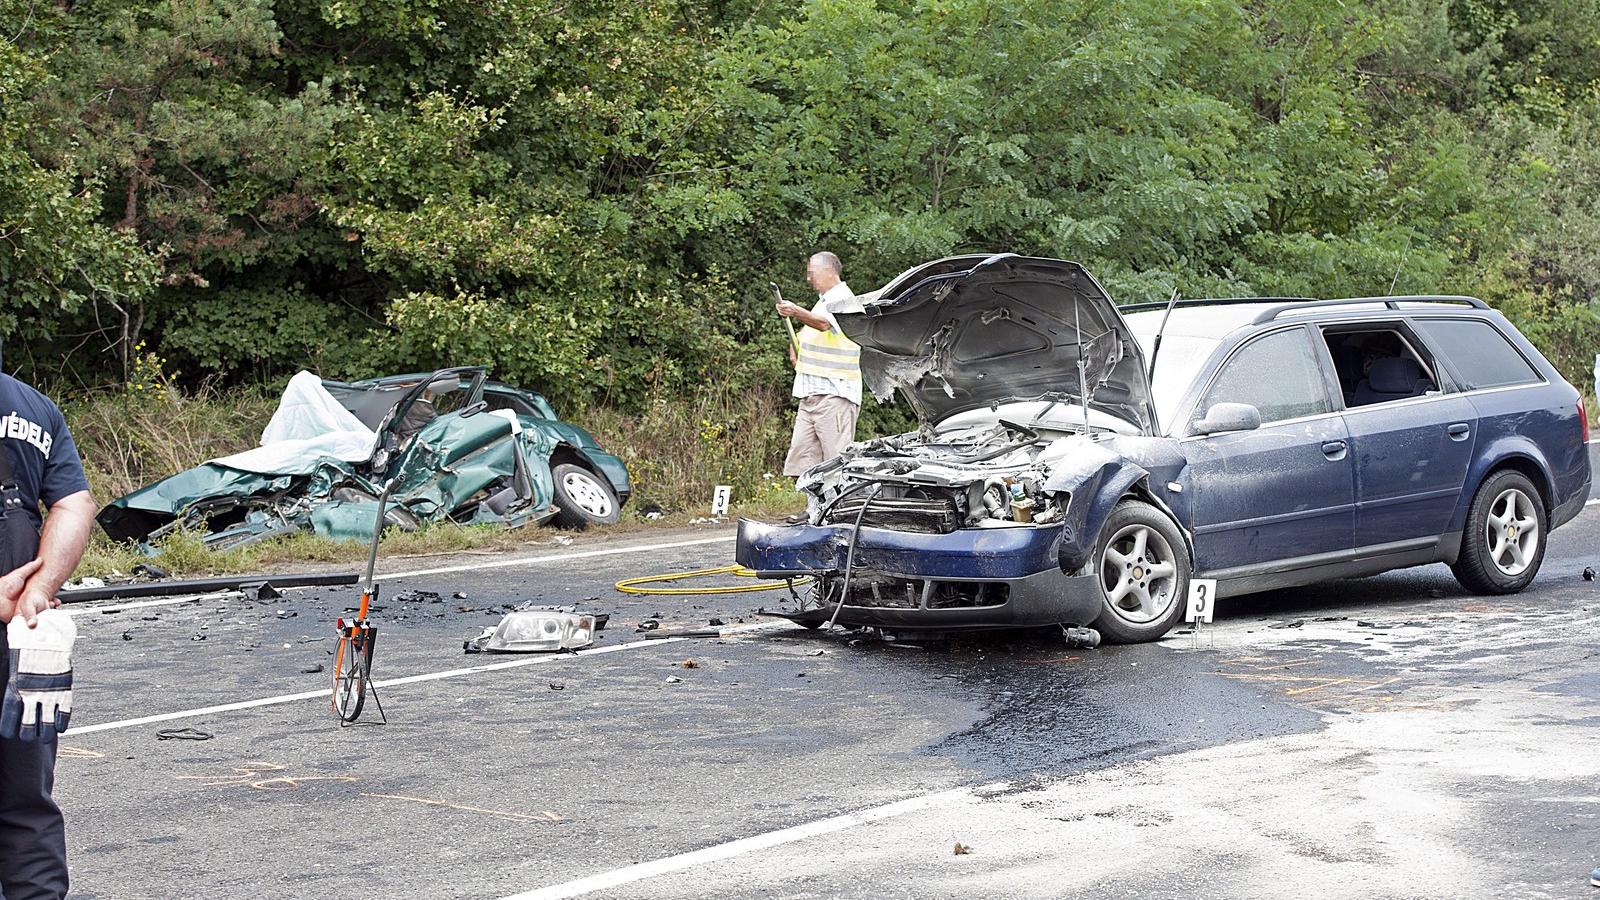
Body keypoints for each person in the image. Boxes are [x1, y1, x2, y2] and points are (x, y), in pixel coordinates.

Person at [0, 341, 95, 900]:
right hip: (25, 643)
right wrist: (39, 591)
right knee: (26, 807)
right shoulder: (33, 406)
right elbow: (74, 503)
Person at [776, 251, 863, 482]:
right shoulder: (823, 302)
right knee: (803, 459)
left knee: (834, 462)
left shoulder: (843, 297)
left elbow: (824, 325)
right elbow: (813, 329)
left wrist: (794, 311)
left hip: (835, 394)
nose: (808, 279)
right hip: (811, 394)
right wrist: (795, 344)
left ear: (828, 271)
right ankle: (812, 511)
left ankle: (834, 512)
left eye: (811, 273)